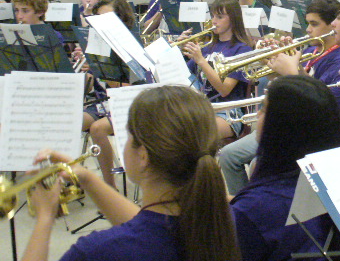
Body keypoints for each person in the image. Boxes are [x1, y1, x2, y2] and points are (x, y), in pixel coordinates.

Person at [23, 85, 240, 261]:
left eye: (128, 136)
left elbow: (144, 234)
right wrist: (89, 179)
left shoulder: (99, 251)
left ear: (143, 156)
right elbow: (150, 228)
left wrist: (44, 219)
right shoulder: (226, 221)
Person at [219, 0, 340, 196]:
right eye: (307, 23)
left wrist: (291, 72)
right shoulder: (311, 50)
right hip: (288, 121)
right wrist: (272, 64)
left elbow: (321, 104)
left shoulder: (339, 59)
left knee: (252, 161)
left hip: (305, 130)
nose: (308, 30)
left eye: (314, 24)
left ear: (331, 26)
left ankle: (254, 202)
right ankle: (244, 199)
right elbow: (287, 88)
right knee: (228, 155)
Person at [230, 76, 340, 261]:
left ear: (282, 127)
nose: (258, 114)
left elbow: (264, 212)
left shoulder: (254, 208)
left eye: (264, 109)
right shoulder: (336, 180)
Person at [83, 0, 137, 188]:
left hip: (127, 104)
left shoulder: (131, 45)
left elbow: (130, 90)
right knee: (71, 121)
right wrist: (87, 73)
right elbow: (91, 87)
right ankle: (66, 179)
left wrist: (103, 72)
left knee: (97, 129)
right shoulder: (96, 43)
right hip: (101, 103)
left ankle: (109, 186)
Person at [182, 0, 253, 139]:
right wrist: (179, 50)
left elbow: (224, 90)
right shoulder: (208, 48)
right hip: (203, 107)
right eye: (213, 16)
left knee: (195, 134)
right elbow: (183, 74)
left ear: (233, 19)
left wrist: (201, 61)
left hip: (228, 112)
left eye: (220, 17)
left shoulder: (242, 49)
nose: (214, 21)